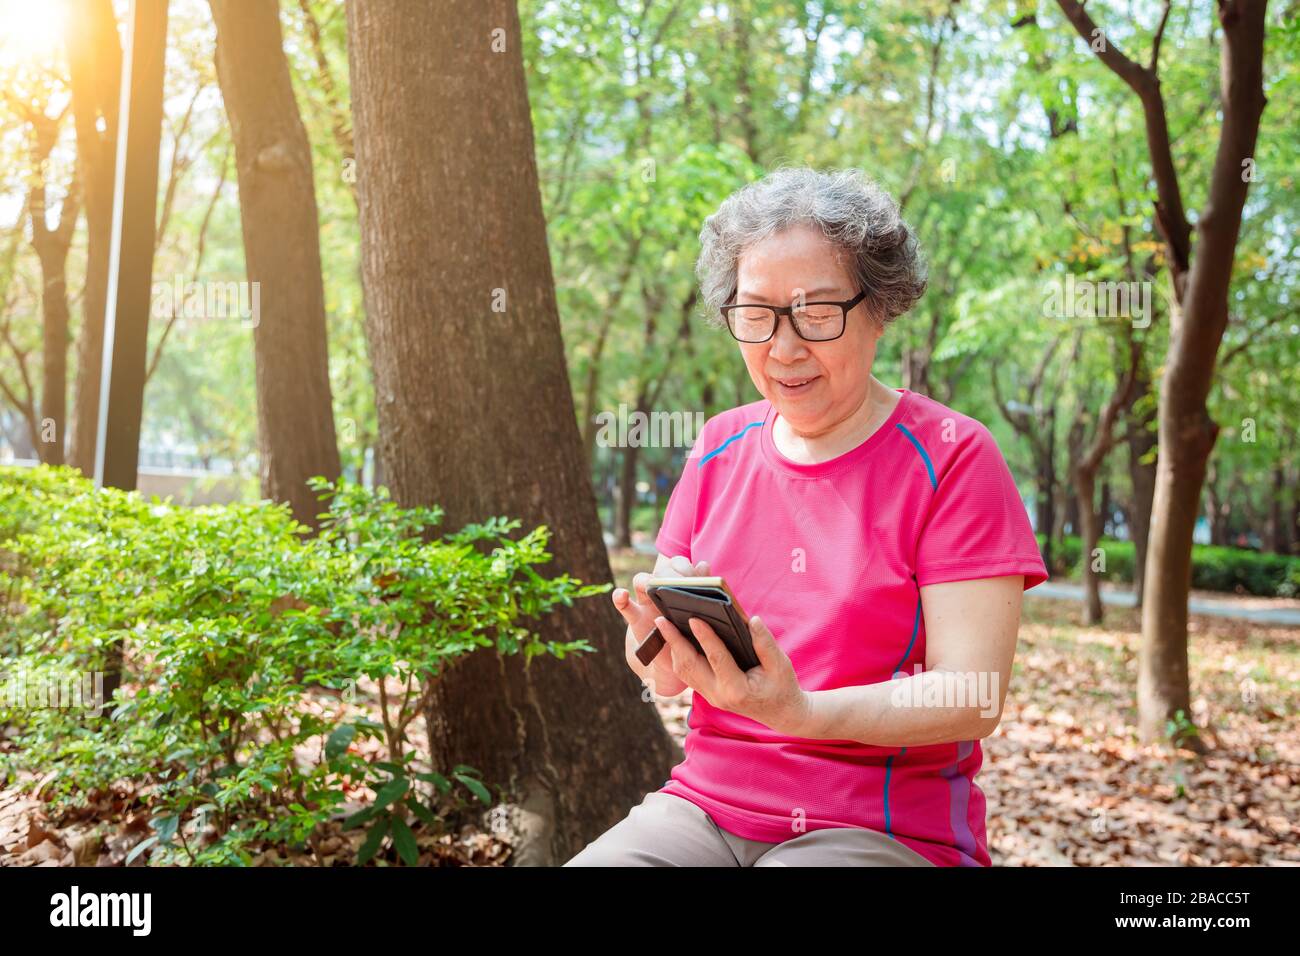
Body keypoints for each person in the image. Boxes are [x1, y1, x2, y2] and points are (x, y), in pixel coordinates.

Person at [564, 167, 1048, 867]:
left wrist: (804, 714)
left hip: (879, 828)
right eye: (756, 314)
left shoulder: (953, 456)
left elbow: (971, 698)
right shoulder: (718, 446)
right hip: (703, 807)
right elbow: (667, 677)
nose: (783, 348)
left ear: (880, 308)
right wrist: (657, 650)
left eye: (817, 313)